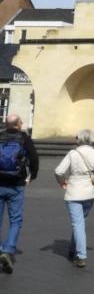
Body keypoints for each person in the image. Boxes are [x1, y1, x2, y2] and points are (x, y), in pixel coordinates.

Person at [54, 129, 94, 268]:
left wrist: (62, 182)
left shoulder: (73, 153)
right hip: (89, 193)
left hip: (73, 192)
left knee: (78, 223)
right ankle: (73, 250)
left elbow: (59, 171)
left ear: (79, 139)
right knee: (80, 222)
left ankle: (81, 255)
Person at [0, 114, 39, 274]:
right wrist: (32, 175)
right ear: (18, 125)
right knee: (16, 219)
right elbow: (34, 159)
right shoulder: (24, 138)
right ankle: (8, 250)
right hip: (16, 184)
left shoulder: (0, 136)